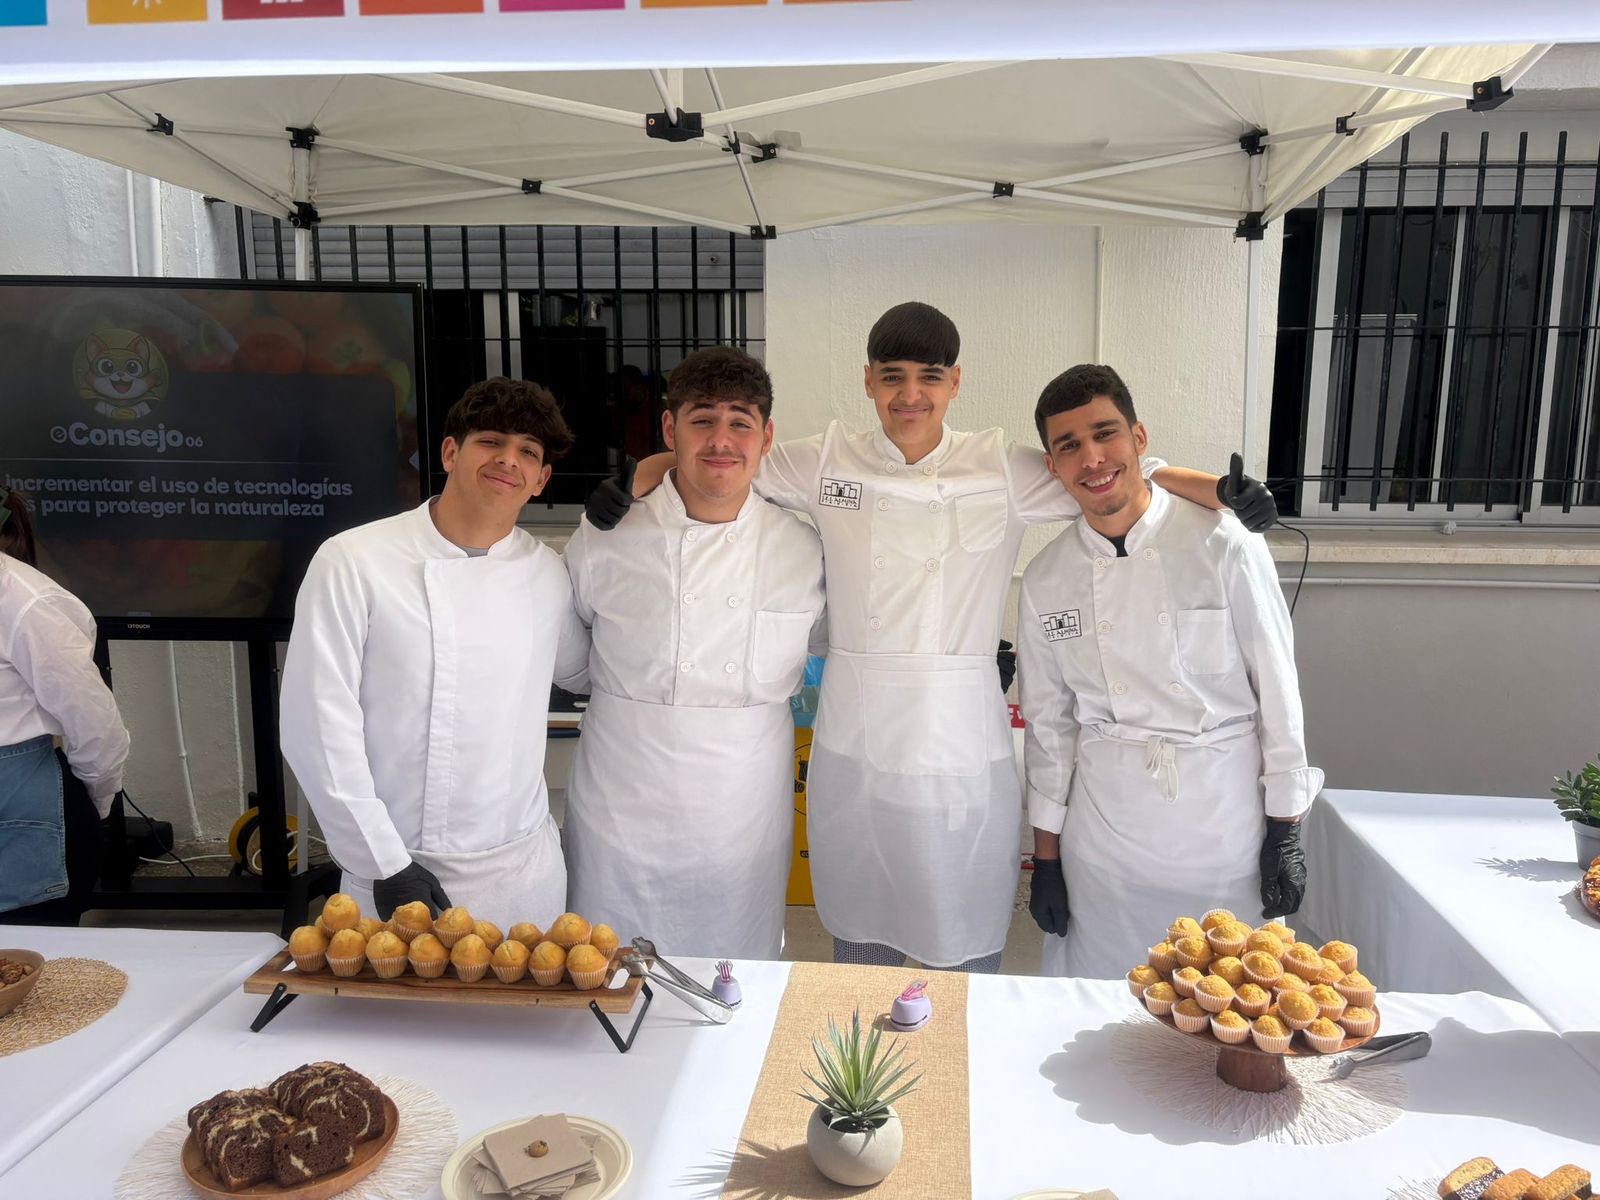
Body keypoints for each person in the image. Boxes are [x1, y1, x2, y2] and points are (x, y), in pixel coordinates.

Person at [586, 302, 1277, 972]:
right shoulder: (824, 460)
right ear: (868, 382)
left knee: (963, 934)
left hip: (960, 748)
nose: (909, 395)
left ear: (955, 383)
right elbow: (715, 459)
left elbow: (1102, 472)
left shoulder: (998, 468)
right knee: (859, 939)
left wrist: (1215, 488)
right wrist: (633, 480)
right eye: (892, 377)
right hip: (853, 744)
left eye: (929, 377)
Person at [1017, 364, 1321, 979]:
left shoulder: (1225, 543)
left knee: (1226, 1001)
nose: (1092, 458)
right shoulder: (1048, 578)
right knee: (1101, 1002)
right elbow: (1050, 727)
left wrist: (1284, 830)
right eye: (1069, 445)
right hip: (1105, 838)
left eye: (1106, 434)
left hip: (1221, 830)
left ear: (1140, 439)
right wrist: (1045, 857)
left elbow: (1278, 693)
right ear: (1052, 466)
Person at [280, 378, 589, 928]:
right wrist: (384, 863)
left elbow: (588, 672)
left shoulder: (548, 574)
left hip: (523, 873)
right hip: (395, 872)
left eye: (528, 453)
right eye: (491, 442)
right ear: (451, 452)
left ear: (541, 479)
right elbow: (317, 724)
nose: (508, 461)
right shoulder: (354, 561)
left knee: (523, 1010)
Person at [562, 347, 825, 958]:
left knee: (733, 977)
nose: (721, 441)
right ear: (669, 429)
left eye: (740, 422)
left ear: (766, 437)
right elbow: (568, 649)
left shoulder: (802, 548)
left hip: (742, 805)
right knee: (604, 970)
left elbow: (837, 640)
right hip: (621, 796)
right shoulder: (609, 535)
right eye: (702, 420)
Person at [0, 486, 129, 926]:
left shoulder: (25, 601)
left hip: (23, 815)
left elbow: (92, 722)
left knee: (34, 969)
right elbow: (96, 728)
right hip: (27, 806)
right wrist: (98, 799)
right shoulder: (27, 599)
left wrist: (92, 802)